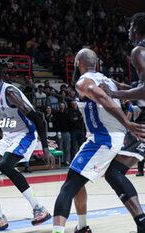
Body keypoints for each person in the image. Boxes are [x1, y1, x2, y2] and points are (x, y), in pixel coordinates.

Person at [52, 48, 145, 233]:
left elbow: (102, 97)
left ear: (78, 62)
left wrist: (127, 123)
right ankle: (82, 226)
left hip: (103, 139)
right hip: (105, 138)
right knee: (78, 180)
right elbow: (130, 90)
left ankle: (58, 230)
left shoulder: (84, 82)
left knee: (68, 186)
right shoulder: (107, 79)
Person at [0, 57, 55, 232]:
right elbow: (10, 119)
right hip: (9, 136)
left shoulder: (9, 93)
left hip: (25, 135)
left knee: (5, 165)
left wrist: (44, 148)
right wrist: (1, 134)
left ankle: (39, 209)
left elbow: (38, 118)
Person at [99, 13, 145, 233]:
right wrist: (120, 87)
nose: (127, 31)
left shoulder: (139, 51)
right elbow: (140, 89)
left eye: (129, 26)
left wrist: (116, 94)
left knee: (114, 171)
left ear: (137, 27)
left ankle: (142, 222)